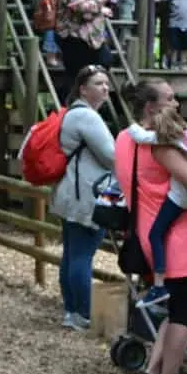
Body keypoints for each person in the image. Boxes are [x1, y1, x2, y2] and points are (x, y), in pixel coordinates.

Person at [114, 79, 187, 374]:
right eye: (171, 99)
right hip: (178, 236)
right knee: (183, 311)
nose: (176, 105)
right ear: (151, 107)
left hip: (146, 230)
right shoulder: (161, 145)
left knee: (172, 307)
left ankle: (152, 371)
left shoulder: (123, 138)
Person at [128, 109, 187, 308]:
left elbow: (137, 134)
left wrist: (134, 123)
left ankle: (158, 285)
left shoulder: (167, 140)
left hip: (182, 196)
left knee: (156, 233)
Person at [48, 65, 117, 331]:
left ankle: (71, 310)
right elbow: (111, 156)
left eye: (106, 83)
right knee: (82, 255)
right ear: (83, 89)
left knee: (72, 253)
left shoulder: (73, 115)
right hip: (84, 193)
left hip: (69, 192)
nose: (105, 88)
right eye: (99, 83)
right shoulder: (87, 118)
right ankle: (83, 313)